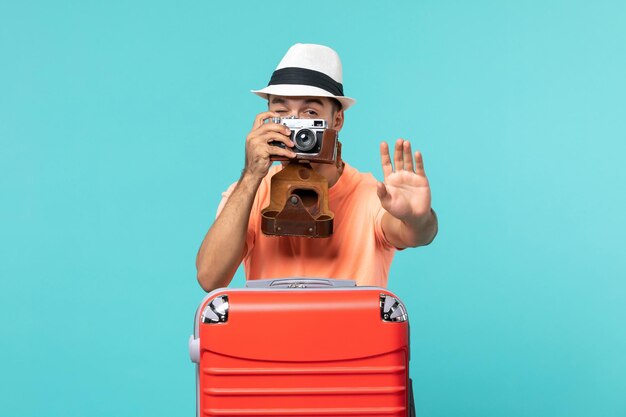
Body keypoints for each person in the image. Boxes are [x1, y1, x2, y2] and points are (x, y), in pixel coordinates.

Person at [196, 43, 438, 292]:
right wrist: (251, 175)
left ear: (337, 119)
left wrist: (418, 218)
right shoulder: (250, 193)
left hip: (352, 331)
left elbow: (416, 234)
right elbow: (210, 278)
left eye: (310, 112)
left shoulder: (369, 195)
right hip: (270, 331)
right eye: (282, 112)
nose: (295, 126)